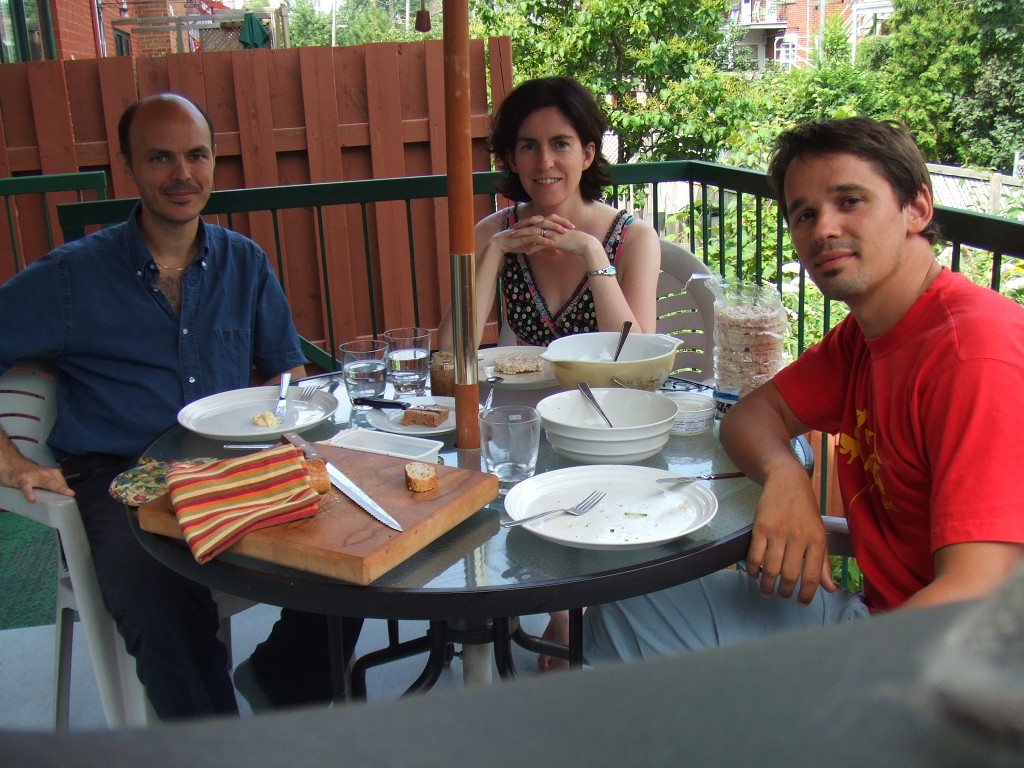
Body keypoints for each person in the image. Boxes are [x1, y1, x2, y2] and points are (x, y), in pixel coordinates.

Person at [581, 117, 1024, 663]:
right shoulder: (867, 335)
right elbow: (750, 417)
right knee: (626, 607)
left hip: (958, 664)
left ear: (917, 209)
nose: (824, 229)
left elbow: (977, 597)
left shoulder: (974, 355)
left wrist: (833, 683)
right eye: (804, 214)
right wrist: (785, 474)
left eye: (850, 201)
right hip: (877, 617)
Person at [0, 93, 356, 718]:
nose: (182, 174)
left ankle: (282, 681)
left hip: (232, 464)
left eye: (196, 155)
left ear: (214, 161)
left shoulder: (244, 263)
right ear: (129, 166)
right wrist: (9, 461)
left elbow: (285, 371)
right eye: (160, 157)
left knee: (351, 538)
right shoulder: (71, 278)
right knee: (161, 589)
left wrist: (290, 416)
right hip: (122, 479)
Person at [437, 75, 661, 350]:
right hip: (526, 381)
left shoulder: (634, 238)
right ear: (513, 159)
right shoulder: (494, 232)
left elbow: (638, 358)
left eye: (560, 144)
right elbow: (451, 350)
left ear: (587, 154)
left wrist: (593, 252)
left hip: (608, 381)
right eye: (529, 146)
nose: (544, 162)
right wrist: (495, 252)